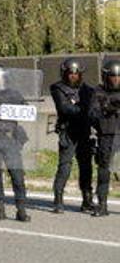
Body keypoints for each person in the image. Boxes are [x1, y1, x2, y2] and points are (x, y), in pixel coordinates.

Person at [0, 65, 31, 222]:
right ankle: (0, 209)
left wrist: (14, 106)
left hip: (10, 138)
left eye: (0, 78)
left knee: (17, 175)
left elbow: (26, 110)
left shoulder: (13, 94)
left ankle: (21, 210)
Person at [49, 58, 95, 213]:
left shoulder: (88, 90)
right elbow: (64, 108)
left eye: (75, 74)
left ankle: (87, 201)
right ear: (64, 73)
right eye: (70, 74)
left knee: (86, 167)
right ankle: (58, 200)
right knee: (64, 167)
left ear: (80, 74)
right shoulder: (58, 88)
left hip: (84, 132)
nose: (72, 76)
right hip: (68, 132)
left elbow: (94, 109)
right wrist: (84, 110)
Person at [89, 59, 120, 217]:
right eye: (113, 77)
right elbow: (92, 114)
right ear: (106, 77)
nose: (116, 80)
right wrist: (107, 110)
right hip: (107, 135)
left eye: (119, 77)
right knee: (104, 169)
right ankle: (102, 204)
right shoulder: (99, 92)